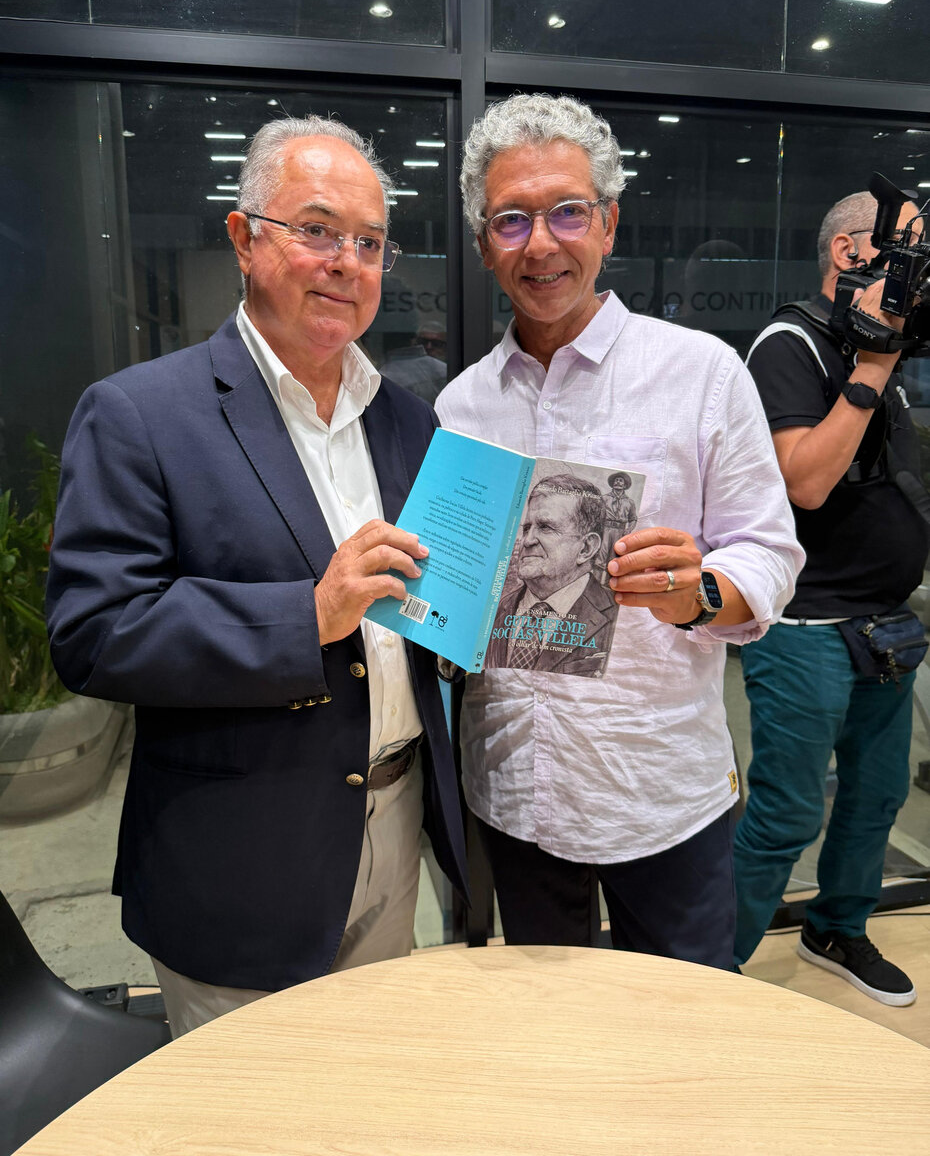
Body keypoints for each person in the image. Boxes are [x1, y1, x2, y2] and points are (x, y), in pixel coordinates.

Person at [46, 115, 467, 1037]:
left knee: (366, 1089)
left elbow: (422, 612)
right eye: (315, 230)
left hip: (394, 821)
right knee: (245, 1116)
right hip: (237, 857)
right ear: (244, 239)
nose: (345, 262)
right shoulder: (139, 414)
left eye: (369, 243)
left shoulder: (408, 422)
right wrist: (309, 615)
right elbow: (92, 632)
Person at [435, 94, 803, 967]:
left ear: (607, 223)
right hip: (516, 791)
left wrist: (701, 591)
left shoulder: (701, 373)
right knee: (547, 1041)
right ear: (486, 243)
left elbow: (771, 549)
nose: (542, 241)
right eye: (511, 219)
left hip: (659, 793)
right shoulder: (461, 406)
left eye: (567, 211)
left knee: (679, 1041)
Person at [735, 190, 929, 1005]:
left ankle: (838, 928)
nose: (920, 275)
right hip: (805, 627)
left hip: (885, 625)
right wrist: (876, 364)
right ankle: (709, 967)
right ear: (852, 254)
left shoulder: (877, 344)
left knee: (878, 795)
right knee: (784, 814)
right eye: (911, 251)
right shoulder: (790, 344)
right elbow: (806, 482)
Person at [485, 473, 618, 676]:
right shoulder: (495, 609)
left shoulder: (612, 613)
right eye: (527, 528)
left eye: (546, 527)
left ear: (586, 548)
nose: (527, 541)